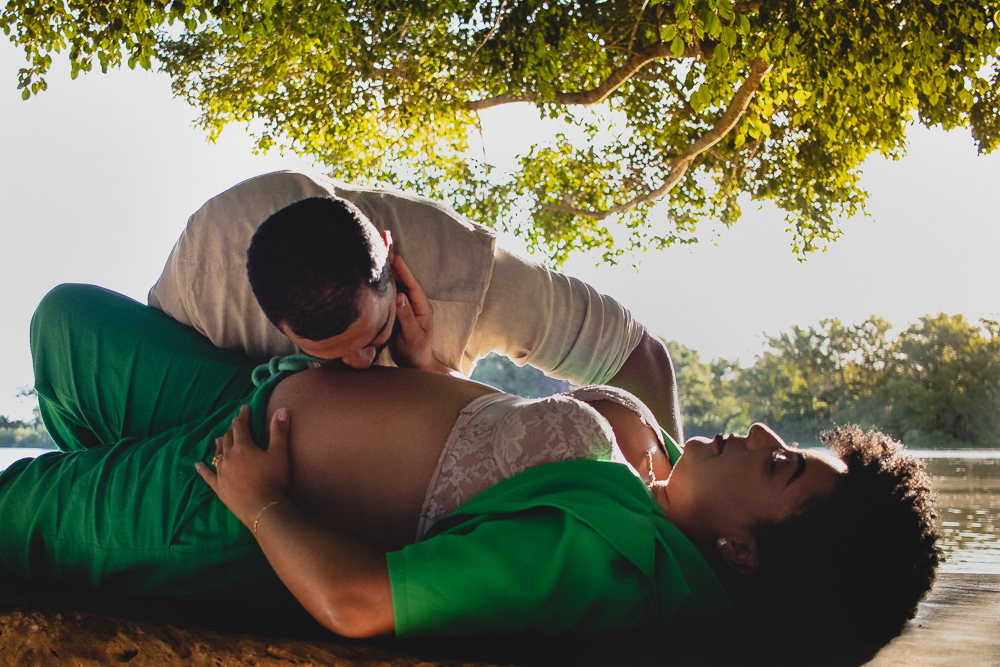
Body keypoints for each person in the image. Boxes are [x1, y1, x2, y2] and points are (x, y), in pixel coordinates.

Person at [0, 285, 941, 649]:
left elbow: (362, 601)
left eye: (782, 469)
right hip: (251, 396)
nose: (767, 431)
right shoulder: (641, 496)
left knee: (13, 511)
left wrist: (262, 503)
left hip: (221, 489)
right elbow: (463, 470)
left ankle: (104, 515)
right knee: (64, 326)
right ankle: (95, 482)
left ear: (741, 553)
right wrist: (421, 375)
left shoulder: (606, 561)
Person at [147, 171, 685, 442]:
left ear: (388, 252)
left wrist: (674, 500)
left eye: (375, 340)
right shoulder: (201, 285)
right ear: (269, 319)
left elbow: (639, 359)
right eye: (332, 357)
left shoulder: (471, 279)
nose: (359, 364)